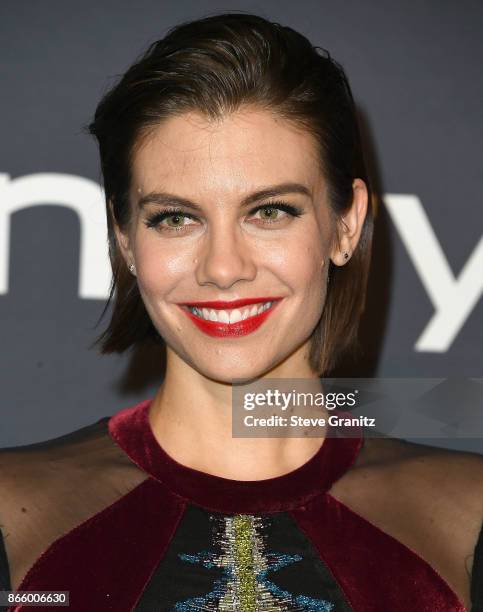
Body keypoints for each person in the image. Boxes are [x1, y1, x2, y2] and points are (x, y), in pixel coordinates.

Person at [0, 11, 482, 612]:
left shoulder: (469, 515)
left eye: (270, 211)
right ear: (125, 241)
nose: (223, 267)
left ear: (345, 225)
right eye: (175, 218)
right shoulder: (12, 511)